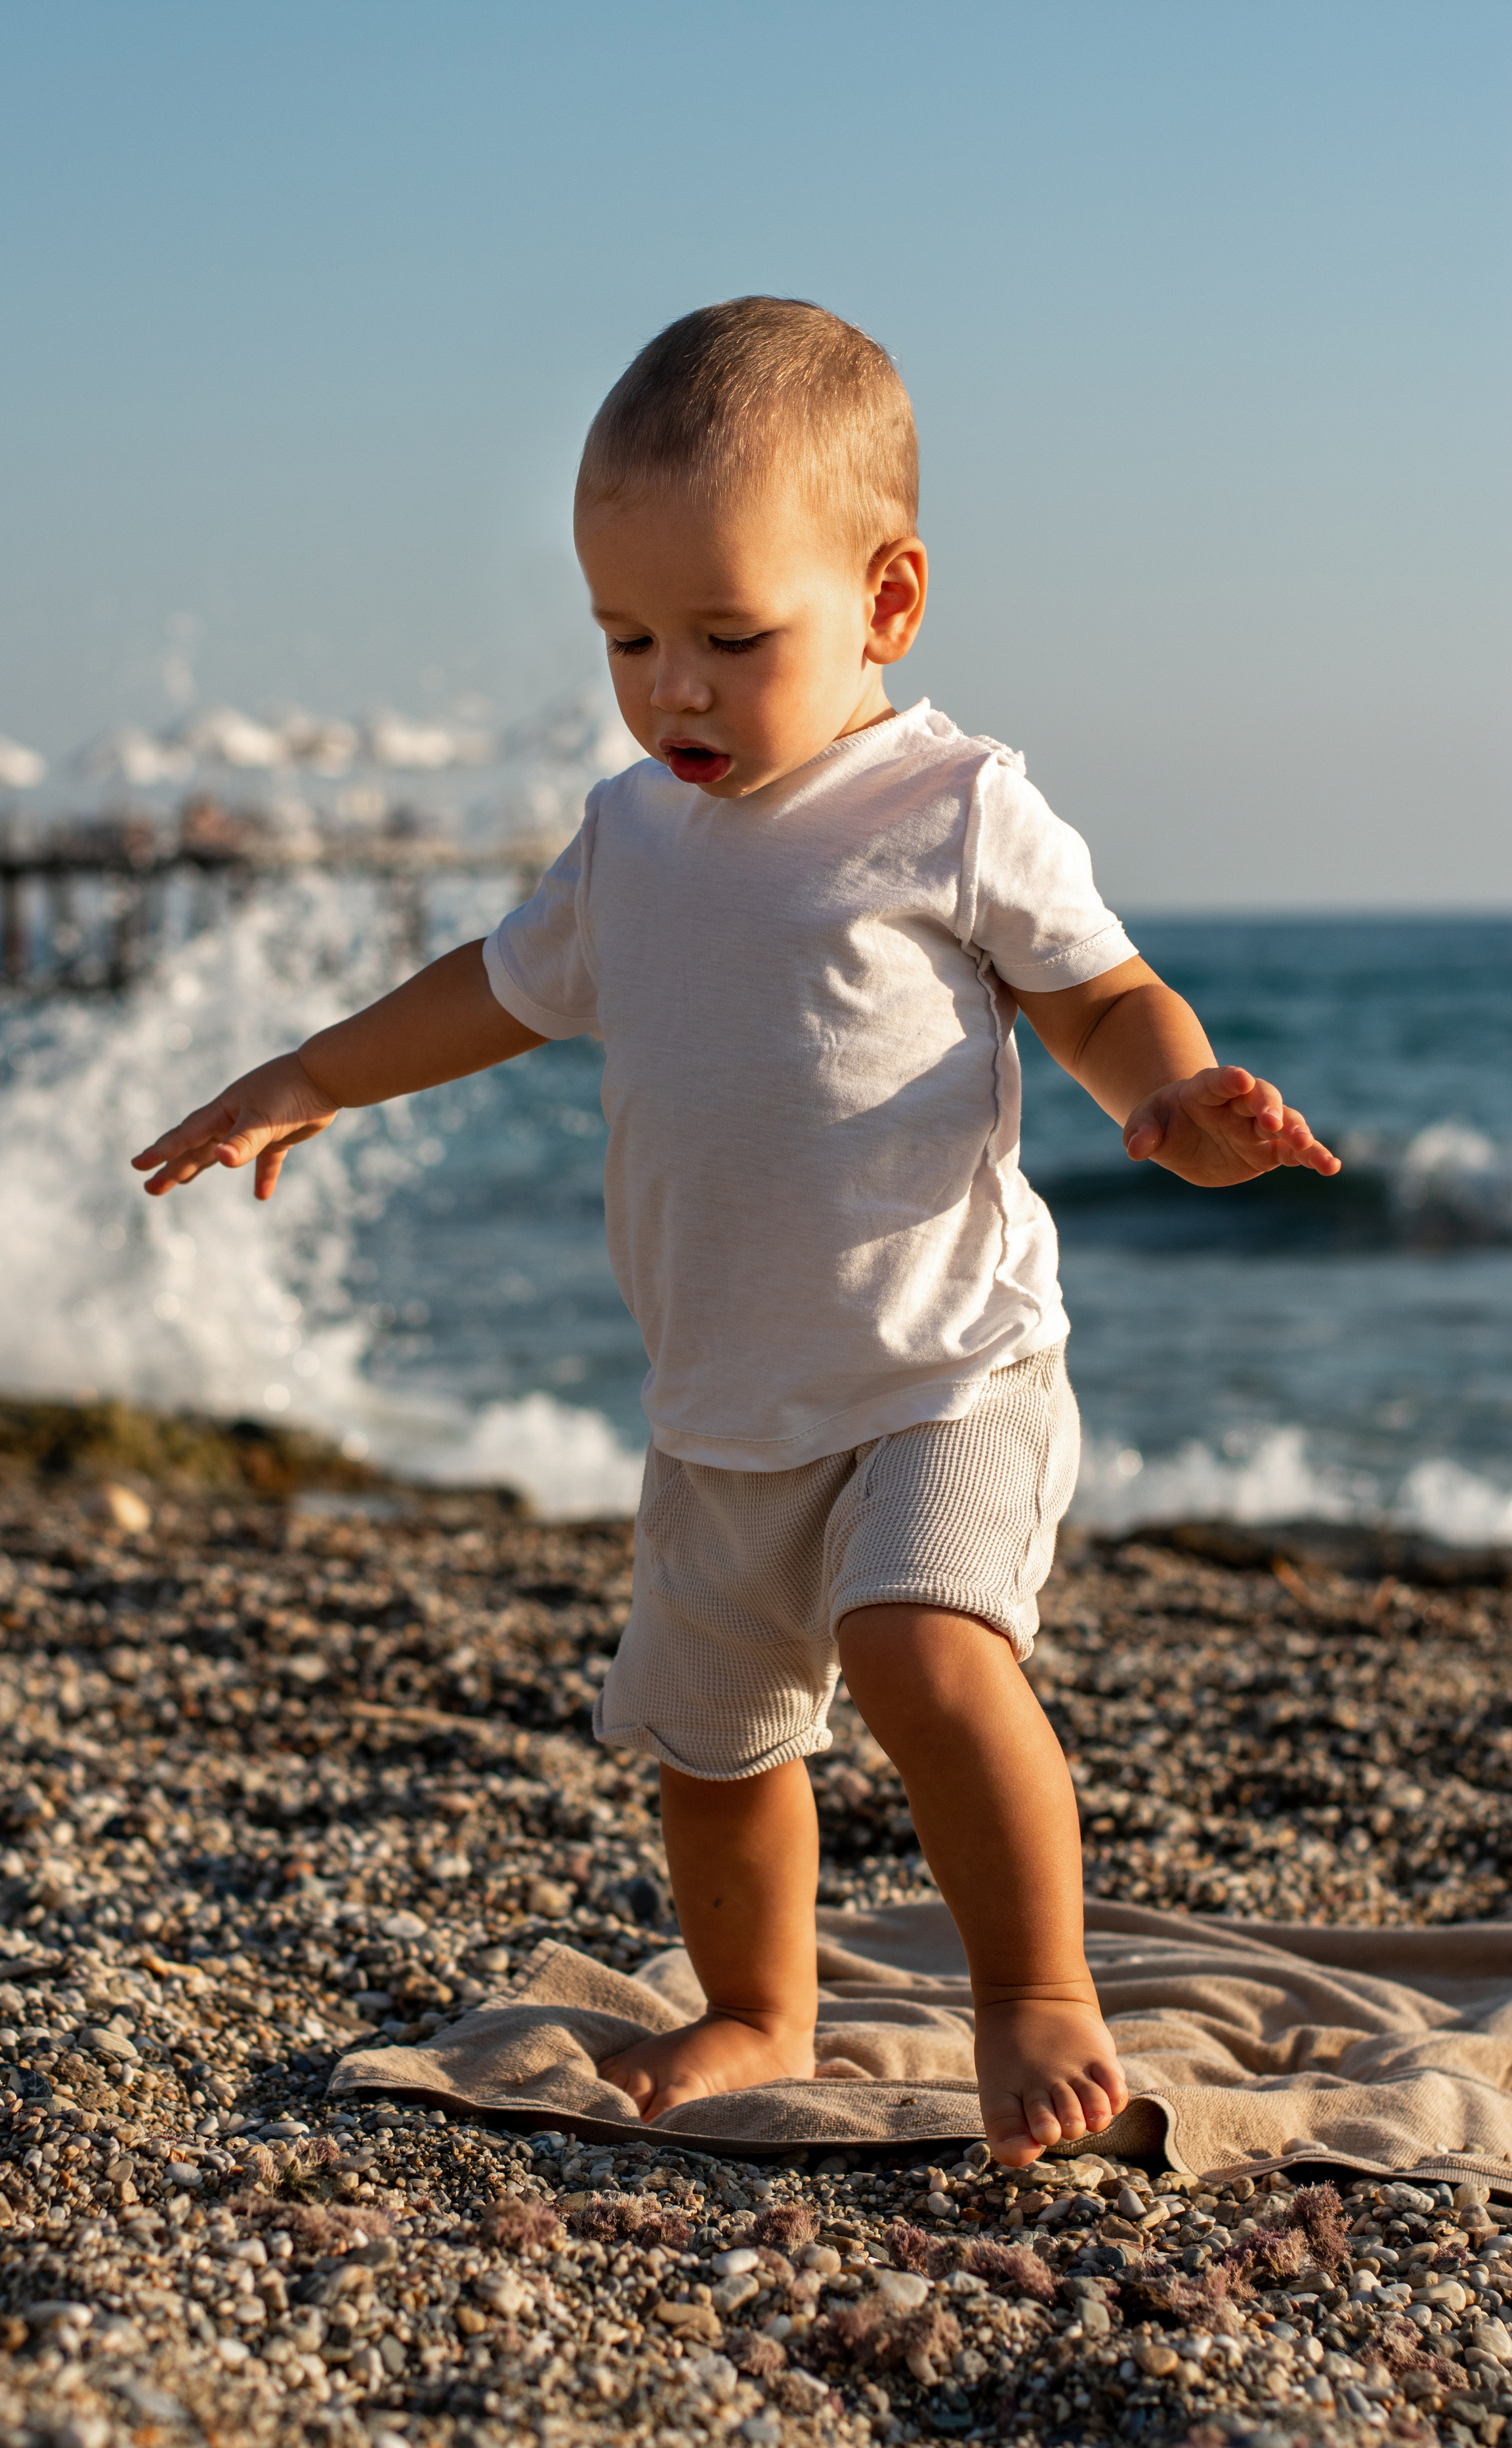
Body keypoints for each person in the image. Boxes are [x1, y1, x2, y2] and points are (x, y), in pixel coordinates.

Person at [134, 299, 1339, 2166]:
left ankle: (1037, 1997)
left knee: (924, 1650)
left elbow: (1103, 996)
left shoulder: (954, 805)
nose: (672, 689)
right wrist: (312, 1075)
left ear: (886, 601)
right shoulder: (630, 841)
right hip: (721, 1406)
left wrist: (1173, 1101)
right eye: (627, 641)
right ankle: (759, 2008)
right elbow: (495, 989)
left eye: (729, 638)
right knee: (716, 1749)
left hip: (945, 1370)